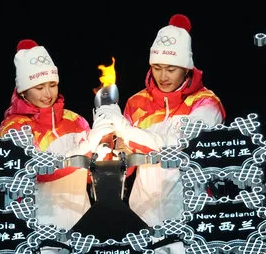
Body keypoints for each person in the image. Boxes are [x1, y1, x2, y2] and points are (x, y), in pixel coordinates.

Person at [95, 13, 226, 234]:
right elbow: (124, 160)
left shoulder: (206, 103)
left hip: (191, 210)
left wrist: (127, 132)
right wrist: (112, 152)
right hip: (143, 212)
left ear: (186, 68)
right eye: (157, 67)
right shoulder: (137, 102)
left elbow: (175, 146)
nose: (163, 76)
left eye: (171, 69)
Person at [0, 39, 113, 232]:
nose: (48, 94)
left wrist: (106, 151)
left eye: (52, 84)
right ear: (23, 90)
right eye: (39, 88)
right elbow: (40, 172)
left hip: (80, 222)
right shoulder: (14, 127)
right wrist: (85, 147)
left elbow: (91, 176)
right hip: (35, 226)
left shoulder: (75, 120)